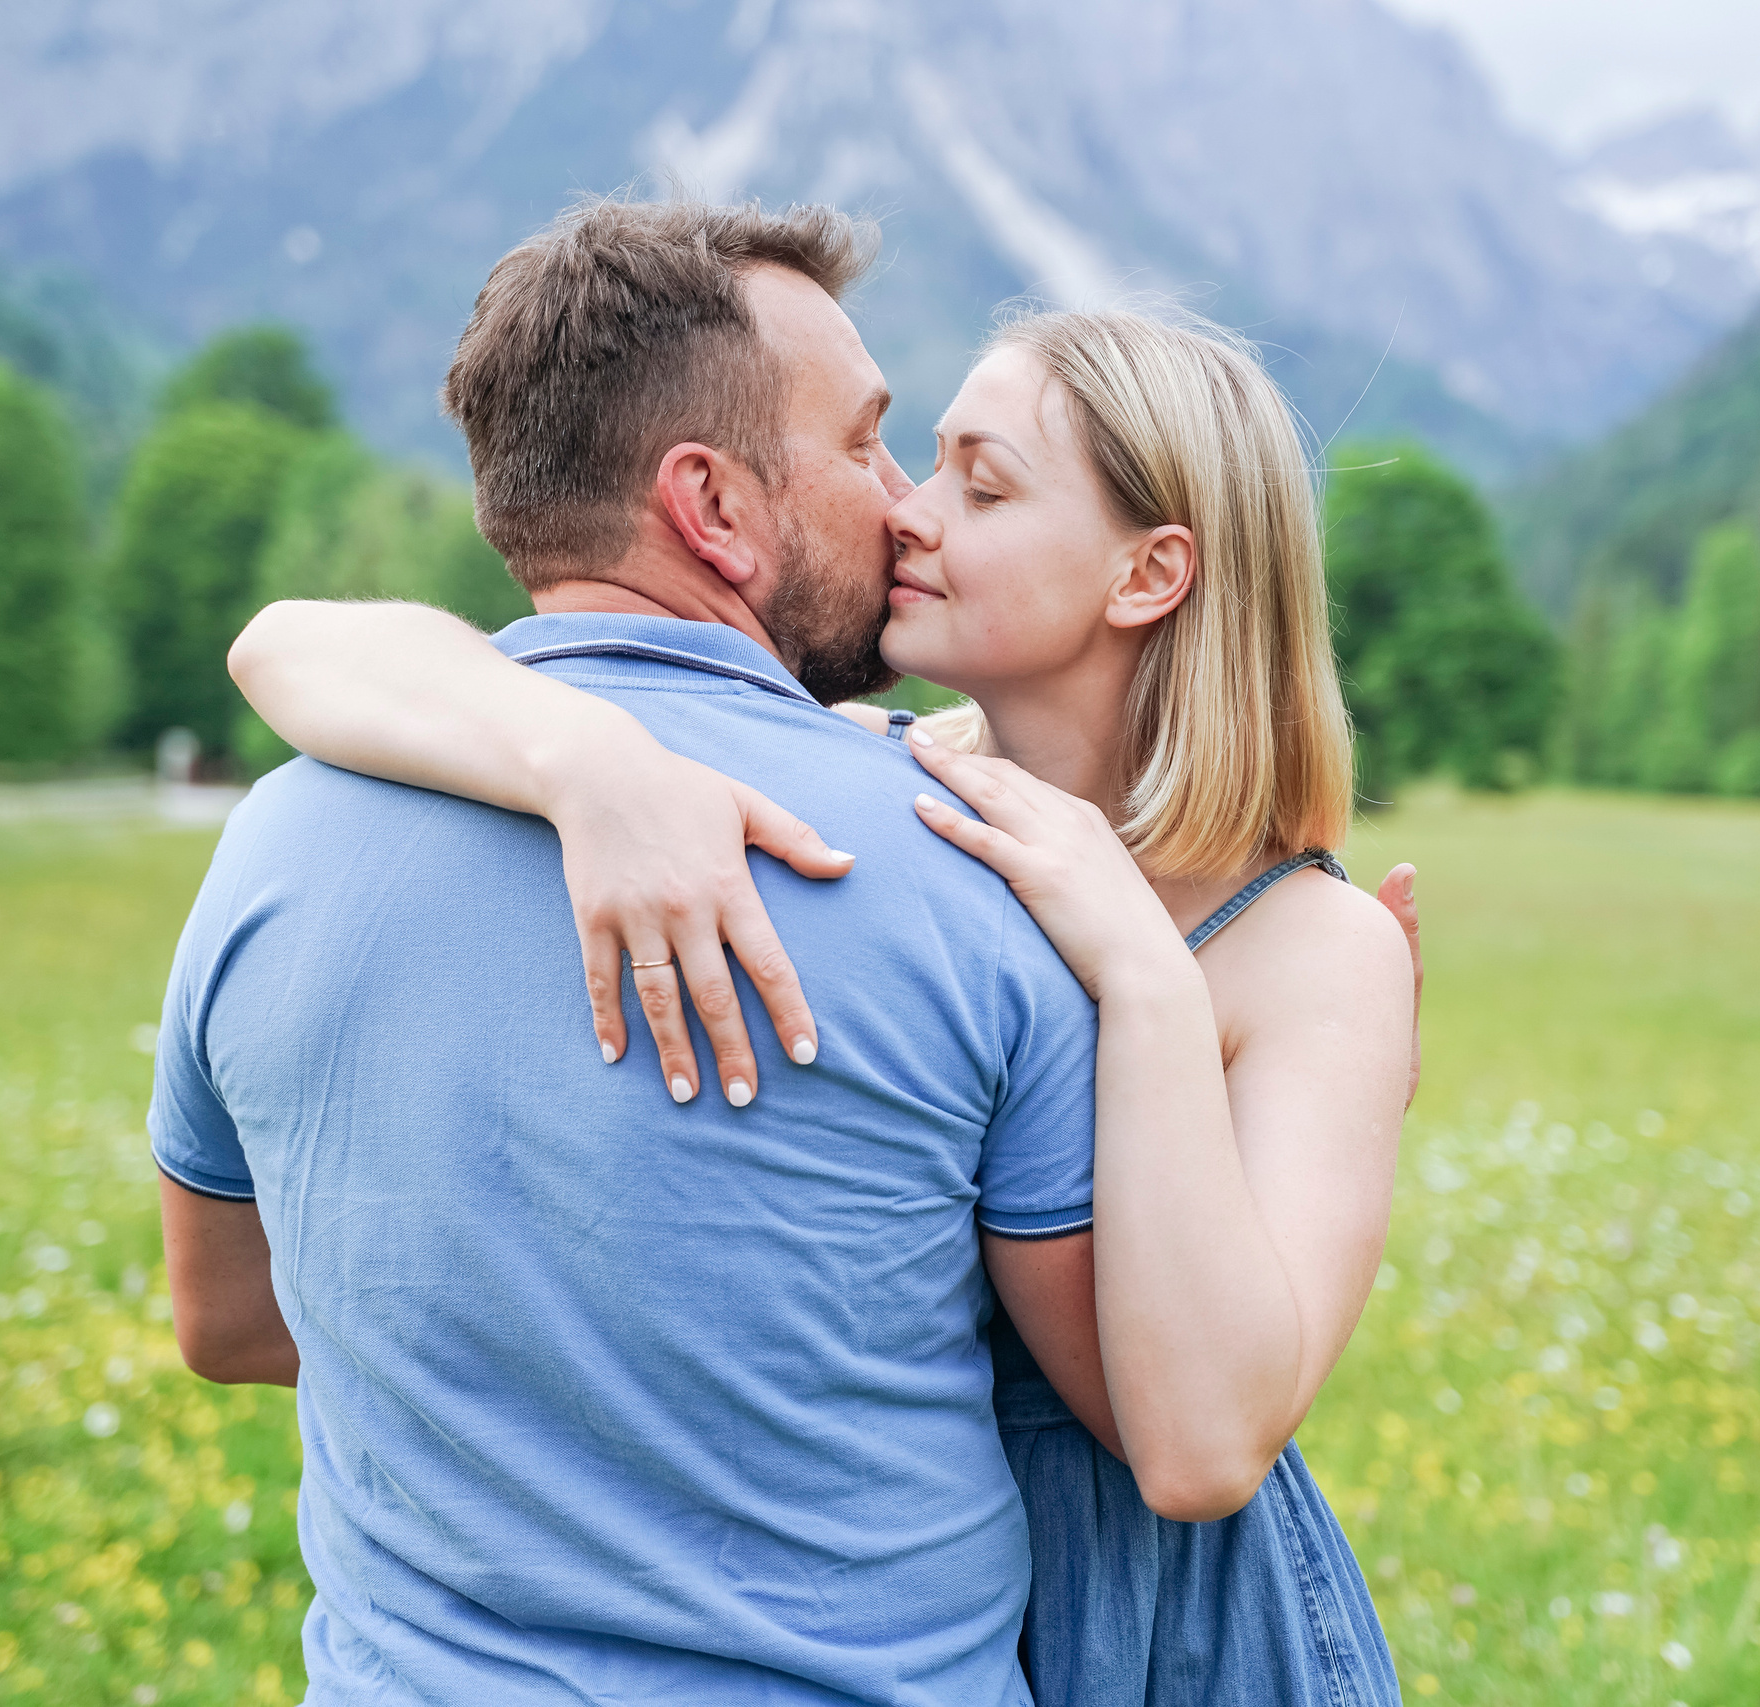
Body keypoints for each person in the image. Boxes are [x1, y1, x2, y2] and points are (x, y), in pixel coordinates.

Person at [231, 295, 1419, 1702]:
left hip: (1155, 1635)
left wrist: (1144, 973)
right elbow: (286, 650)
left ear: (1149, 573)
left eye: (982, 486)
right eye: (920, 462)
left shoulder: (1315, 947)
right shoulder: (888, 782)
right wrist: (581, 757)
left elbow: (1205, 1450)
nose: (908, 513)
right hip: (876, 1599)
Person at [152, 199, 1116, 1705]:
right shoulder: (968, 862)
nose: (906, 500)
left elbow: (226, 1322)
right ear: (713, 508)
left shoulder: (269, 846)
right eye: (865, 444)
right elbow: (1123, 1394)